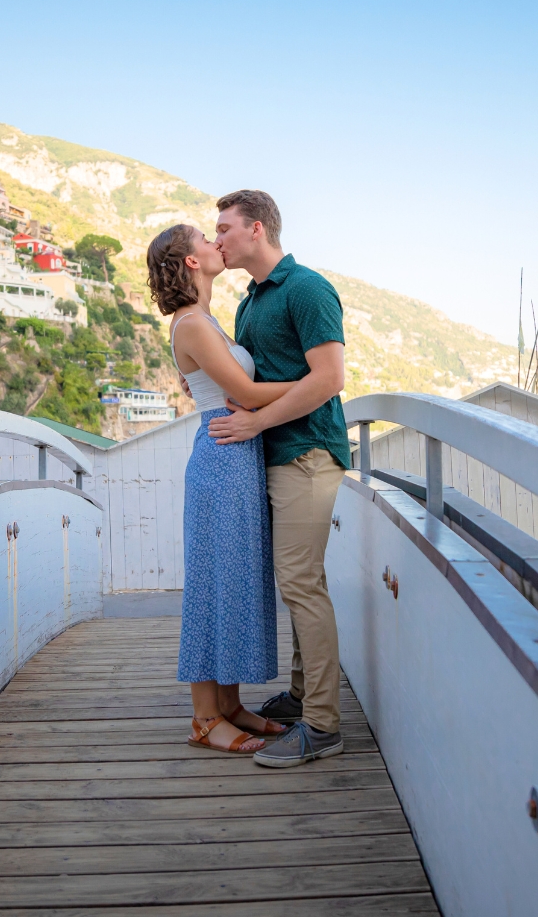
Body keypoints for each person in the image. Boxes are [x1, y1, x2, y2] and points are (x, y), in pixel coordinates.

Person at [207, 189, 351, 768]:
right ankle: (299, 696)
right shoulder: (251, 300)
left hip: (307, 454)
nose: (216, 237)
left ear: (257, 229)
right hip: (271, 455)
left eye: (224, 227)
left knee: (300, 583)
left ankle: (322, 725)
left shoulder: (307, 288)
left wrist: (256, 423)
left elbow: (330, 378)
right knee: (292, 582)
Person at [146, 223, 293, 754]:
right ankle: (205, 720)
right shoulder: (191, 325)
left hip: (238, 457)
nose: (216, 243)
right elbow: (247, 392)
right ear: (190, 261)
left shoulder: (209, 322)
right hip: (220, 460)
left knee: (234, 581)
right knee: (213, 585)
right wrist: (317, 384)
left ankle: (230, 705)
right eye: (205, 240)